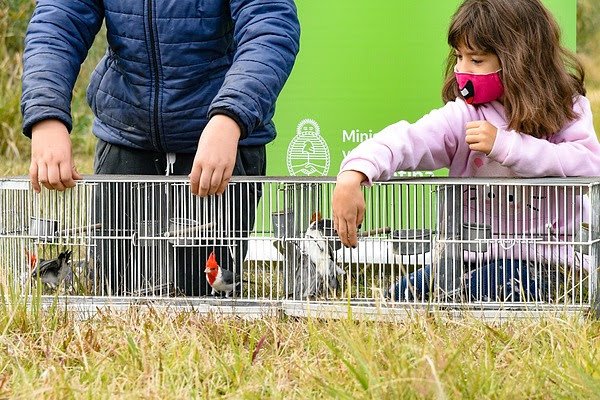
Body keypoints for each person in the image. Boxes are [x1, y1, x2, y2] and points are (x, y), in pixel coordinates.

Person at [21, 1, 301, 296]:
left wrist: (230, 117)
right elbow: (58, 24)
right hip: (127, 135)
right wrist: (46, 115)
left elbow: (269, 27)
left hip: (217, 143)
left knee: (203, 298)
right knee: (120, 292)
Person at [332, 0, 600, 302]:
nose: (461, 69)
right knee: (402, 297)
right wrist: (354, 171)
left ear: (520, 59)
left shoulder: (567, 109)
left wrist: (508, 146)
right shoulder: (465, 115)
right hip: (467, 255)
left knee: (487, 287)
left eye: (476, 59)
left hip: (548, 261)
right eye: (459, 57)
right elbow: (408, 139)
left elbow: (590, 164)